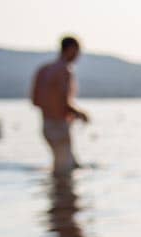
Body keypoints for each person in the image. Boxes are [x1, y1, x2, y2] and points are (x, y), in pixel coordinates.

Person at [31, 36, 89, 175]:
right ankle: (61, 196)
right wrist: (81, 114)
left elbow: (35, 101)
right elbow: (64, 101)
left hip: (46, 125)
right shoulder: (65, 71)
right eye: (77, 52)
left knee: (63, 166)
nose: (78, 56)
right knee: (64, 172)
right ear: (70, 49)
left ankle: (55, 195)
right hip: (59, 126)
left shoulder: (44, 70)